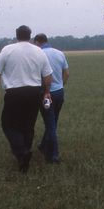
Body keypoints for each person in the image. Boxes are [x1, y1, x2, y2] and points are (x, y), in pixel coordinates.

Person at [0, 25, 52, 173]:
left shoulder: (7, 50)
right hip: (34, 92)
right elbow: (47, 75)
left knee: (9, 125)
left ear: (16, 35)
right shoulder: (39, 52)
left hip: (14, 93)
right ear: (30, 36)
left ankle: (22, 152)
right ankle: (24, 152)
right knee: (28, 124)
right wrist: (47, 92)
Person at [34, 33, 69, 163]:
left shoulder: (38, 55)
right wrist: (60, 85)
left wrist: (47, 91)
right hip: (59, 92)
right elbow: (66, 73)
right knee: (52, 121)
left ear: (37, 42)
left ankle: (53, 156)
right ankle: (43, 146)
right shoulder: (59, 53)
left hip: (45, 93)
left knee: (50, 124)